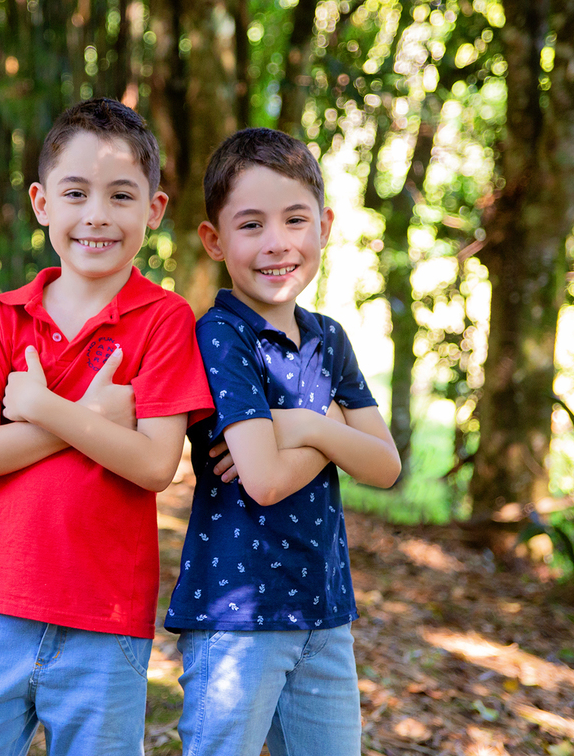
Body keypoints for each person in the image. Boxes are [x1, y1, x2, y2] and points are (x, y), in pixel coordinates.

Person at [0, 98, 214, 756]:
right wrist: (88, 416)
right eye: (76, 193)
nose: (96, 215)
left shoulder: (163, 320)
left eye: (120, 196)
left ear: (154, 209)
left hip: (105, 619)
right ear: (42, 203)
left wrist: (46, 407)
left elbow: (154, 465)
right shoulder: (9, 315)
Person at [165, 127, 401, 756]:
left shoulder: (329, 338)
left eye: (295, 219)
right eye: (251, 225)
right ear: (214, 240)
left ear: (324, 225)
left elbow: (384, 465)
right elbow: (264, 481)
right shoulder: (221, 335)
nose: (278, 243)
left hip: (324, 610)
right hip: (238, 617)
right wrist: (334, 430)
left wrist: (303, 425)